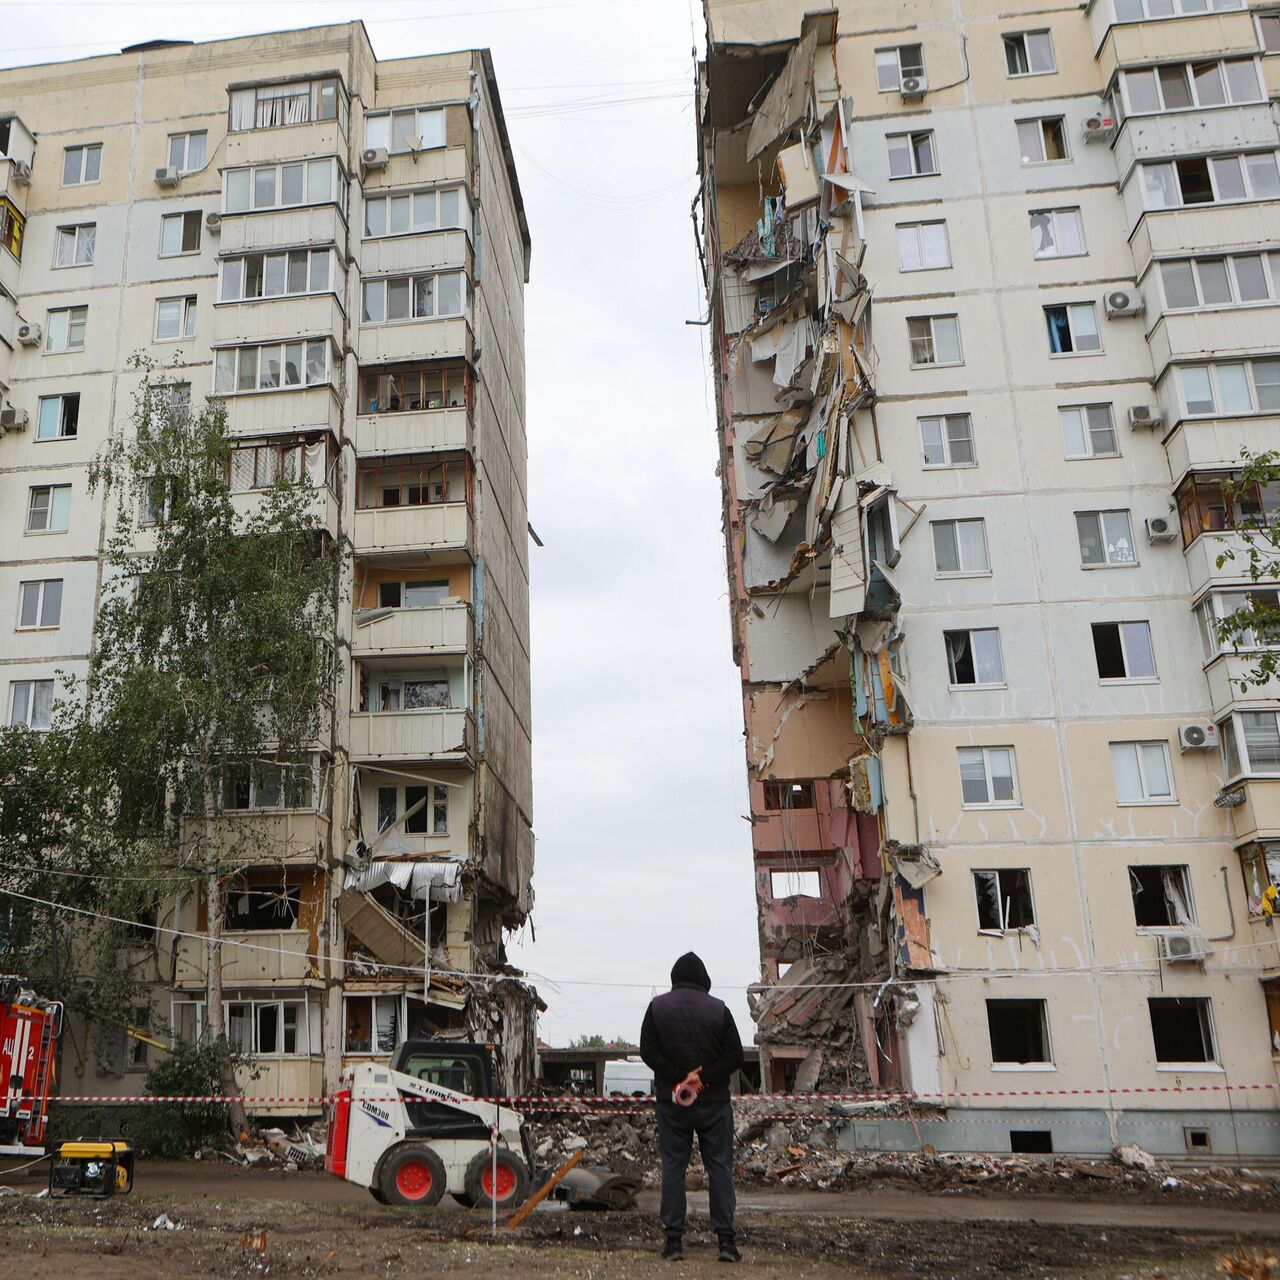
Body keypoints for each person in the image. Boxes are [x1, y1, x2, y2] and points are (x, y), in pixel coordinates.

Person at [639, 951, 744, 1263]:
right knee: (720, 1168)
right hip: (713, 1104)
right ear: (704, 980)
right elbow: (735, 1055)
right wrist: (704, 1079)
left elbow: (648, 1051)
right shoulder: (720, 1010)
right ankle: (726, 1242)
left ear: (675, 978)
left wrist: (678, 1078)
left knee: (673, 1167)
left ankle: (673, 1243)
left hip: (672, 1104)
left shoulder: (657, 1007)